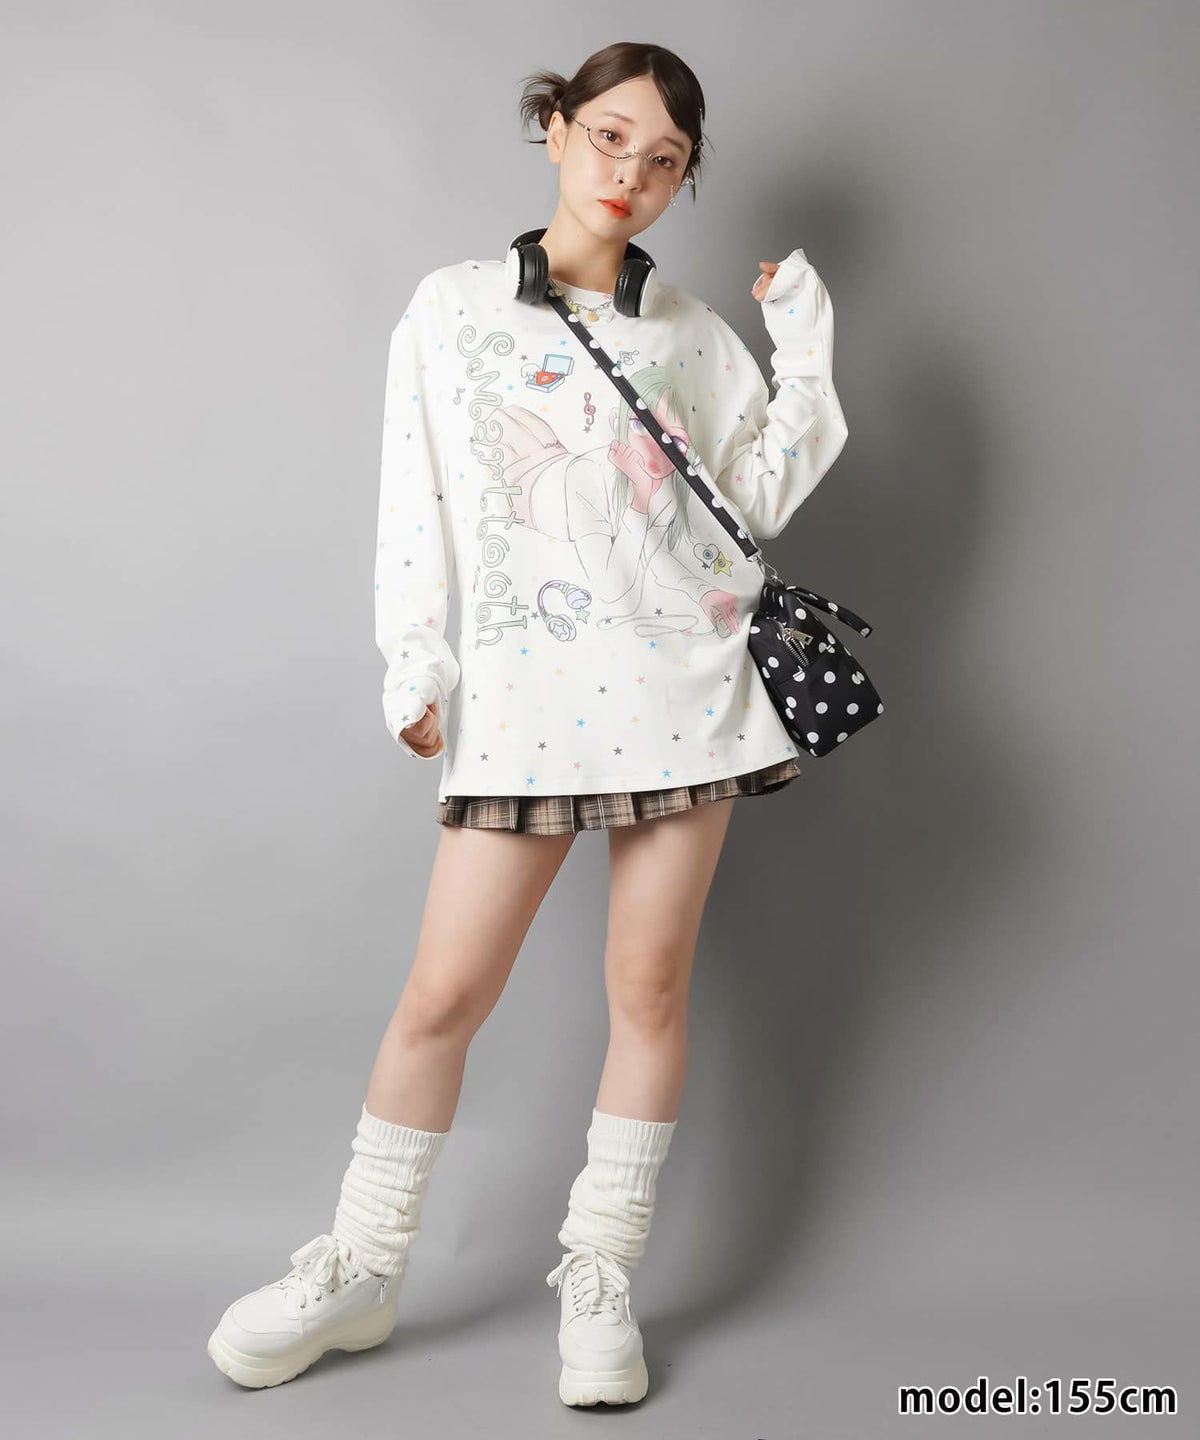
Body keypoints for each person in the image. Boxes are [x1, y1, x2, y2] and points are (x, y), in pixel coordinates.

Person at [207, 40, 849, 1406]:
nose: (631, 173)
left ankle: (599, 1275)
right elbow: (416, 498)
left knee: (649, 990)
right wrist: (416, 666)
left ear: (683, 177)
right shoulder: (451, 310)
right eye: (609, 136)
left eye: (664, 158)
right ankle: (363, 1265)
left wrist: (805, 347)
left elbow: (756, 500)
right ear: (555, 127)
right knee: (443, 996)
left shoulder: (689, 332)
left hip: (685, 692)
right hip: (527, 701)